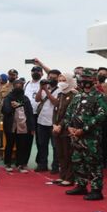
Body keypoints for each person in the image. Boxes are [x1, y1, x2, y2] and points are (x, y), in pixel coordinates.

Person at [64, 68, 107, 200]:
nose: (85, 82)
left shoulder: (99, 97)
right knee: (78, 161)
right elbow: (68, 113)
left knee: (93, 163)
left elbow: (102, 115)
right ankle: (81, 185)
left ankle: (96, 189)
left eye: (88, 79)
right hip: (76, 136)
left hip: (91, 137)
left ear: (93, 81)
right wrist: (69, 127)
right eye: (83, 79)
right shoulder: (77, 96)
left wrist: (85, 129)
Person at [2, 80, 35, 173]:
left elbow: (30, 113)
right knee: (9, 145)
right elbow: (6, 110)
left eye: (20, 85)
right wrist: (14, 107)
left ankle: (20, 164)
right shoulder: (8, 98)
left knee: (22, 146)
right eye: (16, 85)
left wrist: (32, 128)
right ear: (13, 86)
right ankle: (8, 163)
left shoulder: (25, 99)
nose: (18, 87)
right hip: (10, 126)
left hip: (23, 126)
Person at [52, 73, 78, 186]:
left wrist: (60, 125)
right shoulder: (60, 94)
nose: (61, 82)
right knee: (60, 154)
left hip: (67, 129)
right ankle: (62, 176)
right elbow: (55, 111)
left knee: (68, 154)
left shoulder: (74, 95)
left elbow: (70, 114)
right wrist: (54, 124)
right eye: (60, 80)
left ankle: (69, 178)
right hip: (57, 129)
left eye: (64, 80)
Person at [34, 69, 61, 173]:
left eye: (54, 78)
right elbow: (37, 99)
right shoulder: (46, 87)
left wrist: (46, 91)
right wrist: (41, 89)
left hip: (54, 122)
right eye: (50, 77)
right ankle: (42, 165)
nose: (51, 79)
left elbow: (55, 103)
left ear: (58, 78)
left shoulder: (60, 90)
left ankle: (55, 166)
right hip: (42, 121)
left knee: (55, 146)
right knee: (42, 144)